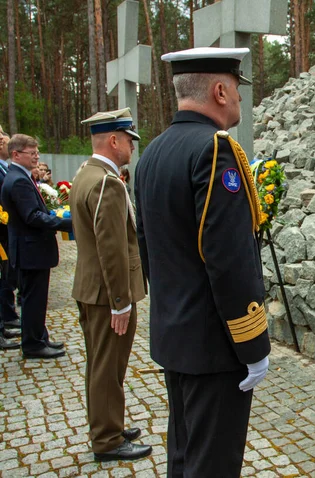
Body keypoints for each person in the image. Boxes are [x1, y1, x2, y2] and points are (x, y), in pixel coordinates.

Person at [135, 47, 270, 477]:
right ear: (218, 90)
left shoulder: (153, 152)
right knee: (212, 464)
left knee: (185, 455)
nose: (240, 100)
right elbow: (228, 260)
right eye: (236, 89)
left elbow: (148, 248)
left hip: (176, 336)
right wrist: (252, 345)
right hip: (215, 348)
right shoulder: (215, 150)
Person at [70, 108, 152, 462]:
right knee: (107, 367)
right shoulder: (107, 182)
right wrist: (121, 302)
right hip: (107, 294)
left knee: (100, 364)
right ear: (114, 140)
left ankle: (109, 423)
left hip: (91, 289)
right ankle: (107, 440)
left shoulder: (85, 173)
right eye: (129, 140)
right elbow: (112, 248)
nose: (133, 147)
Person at [1, 134, 72, 359]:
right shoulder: (19, 180)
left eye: (36, 153)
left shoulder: (19, 176)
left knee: (37, 298)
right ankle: (32, 344)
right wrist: (65, 222)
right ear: (16, 154)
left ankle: (39, 337)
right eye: (32, 153)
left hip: (30, 249)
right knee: (33, 299)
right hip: (30, 249)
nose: (36, 157)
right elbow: (32, 217)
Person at [0, 132, 20, 350]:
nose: (2, 138)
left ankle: (4, 321)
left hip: (6, 235)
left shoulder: (5, 168)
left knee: (5, 279)